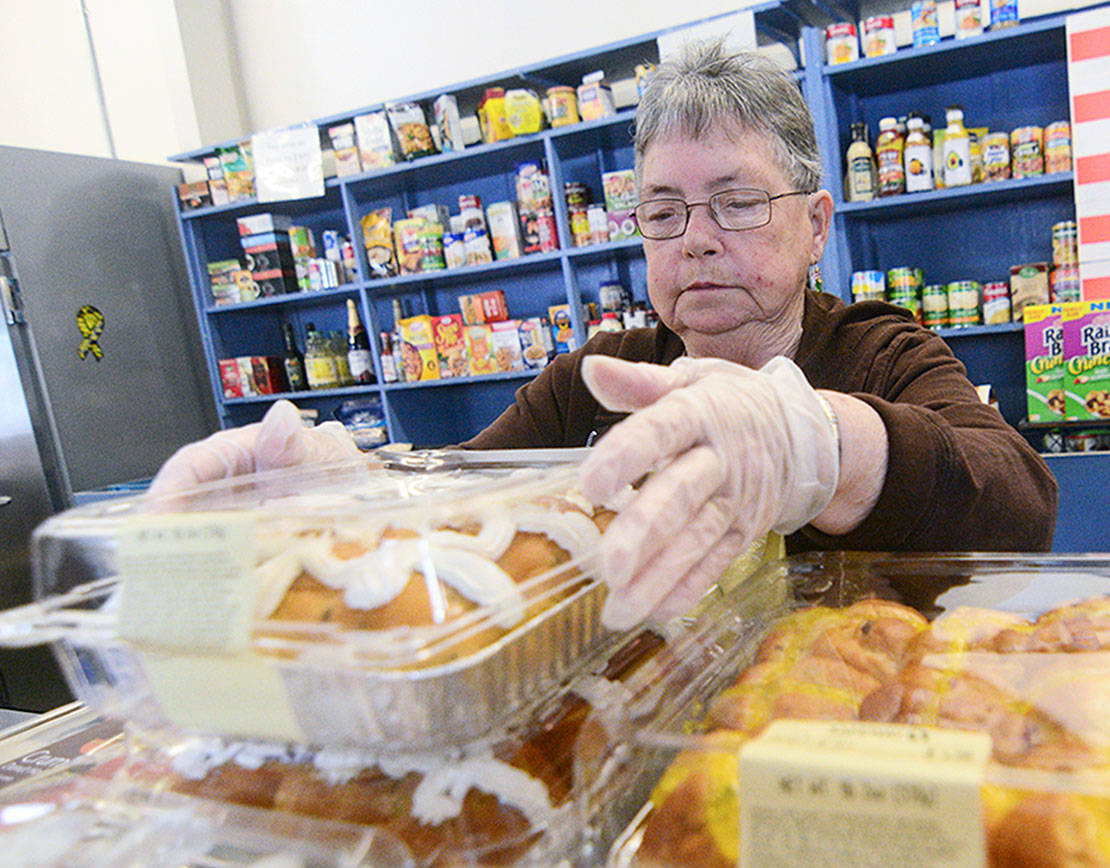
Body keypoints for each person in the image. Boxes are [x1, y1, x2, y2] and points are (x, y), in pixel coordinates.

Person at [152, 41, 1056, 629]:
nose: (696, 237)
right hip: (644, 732)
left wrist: (819, 447)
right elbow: (463, 496)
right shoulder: (606, 374)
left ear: (816, 223)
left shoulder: (876, 350)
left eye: (737, 203)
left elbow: (1020, 506)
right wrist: (348, 494)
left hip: (841, 722)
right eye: (663, 211)